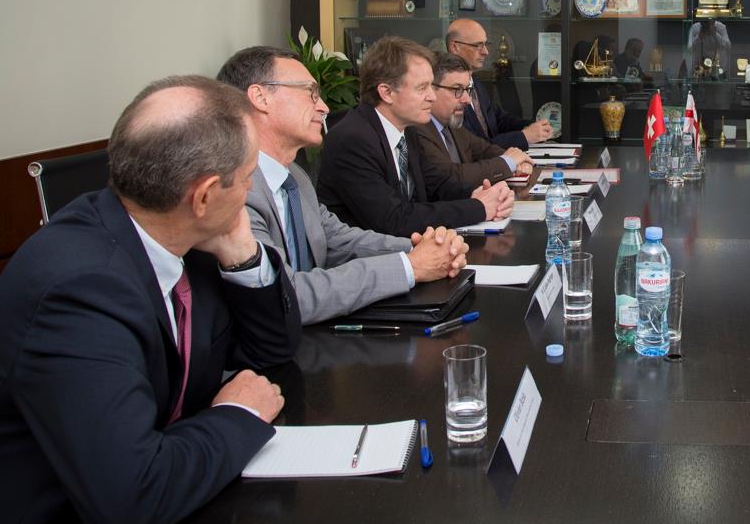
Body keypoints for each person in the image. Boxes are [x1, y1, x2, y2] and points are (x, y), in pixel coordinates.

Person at [0, 76, 300, 524]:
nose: (248, 193)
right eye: (247, 179)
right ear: (204, 196)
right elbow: (132, 497)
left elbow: (272, 350)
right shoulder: (81, 289)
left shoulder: (178, 234)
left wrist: (242, 254)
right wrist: (238, 414)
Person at [217, 46, 470, 325]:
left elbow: (338, 239)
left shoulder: (295, 176)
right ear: (260, 97)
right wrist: (410, 266)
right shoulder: (234, 192)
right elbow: (287, 295)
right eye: (310, 92)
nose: (324, 107)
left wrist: (425, 249)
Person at [317, 36, 514, 236]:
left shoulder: (408, 129)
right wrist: (478, 207)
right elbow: (393, 220)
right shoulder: (353, 139)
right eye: (422, 88)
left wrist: (482, 195)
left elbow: (436, 185)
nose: (432, 96)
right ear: (387, 92)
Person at [414, 52, 533, 193]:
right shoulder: (417, 129)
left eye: (467, 90)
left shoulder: (453, 124)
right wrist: (507, 162)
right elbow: (450, 177)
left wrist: (518, 161)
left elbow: (484, 150)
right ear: (431, 89)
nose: (467, 99)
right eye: (457, 89)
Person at [446, 18, 553, 149]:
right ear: (454, 47)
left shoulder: (476, 84)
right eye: (477, 45)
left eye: (486, 44)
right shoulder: (448, 93)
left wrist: (532, 126)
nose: (485, 52)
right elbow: (474, 149)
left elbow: (499, 120)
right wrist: (524, 136)